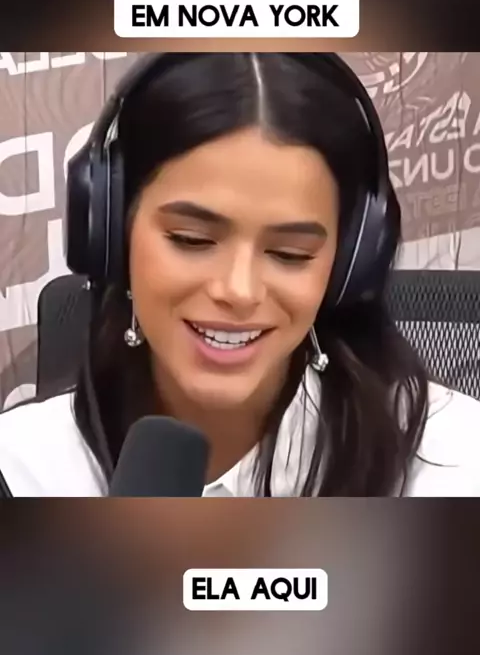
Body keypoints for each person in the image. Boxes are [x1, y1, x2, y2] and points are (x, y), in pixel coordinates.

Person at [1, 52, 479, 497]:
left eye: (290, 254)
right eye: (191, 240)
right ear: (110, 233)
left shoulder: (452, 463)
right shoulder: (21, 472)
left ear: (350, 262)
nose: (239, 290)